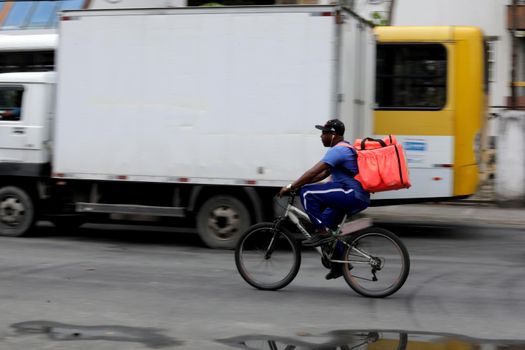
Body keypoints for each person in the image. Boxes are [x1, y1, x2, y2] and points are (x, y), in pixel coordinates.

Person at [279, 119, 370, 279]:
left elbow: (313, 171)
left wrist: (292, 187)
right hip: (355, 196)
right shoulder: (343, 149)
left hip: (350, 194)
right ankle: (340, 266)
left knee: (307, 193)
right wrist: (298, 184)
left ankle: (322, 233)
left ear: (333, 134)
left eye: (324, 133)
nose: (321, 136)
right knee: (328, 225)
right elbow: (321, 175)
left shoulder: (338, 150)